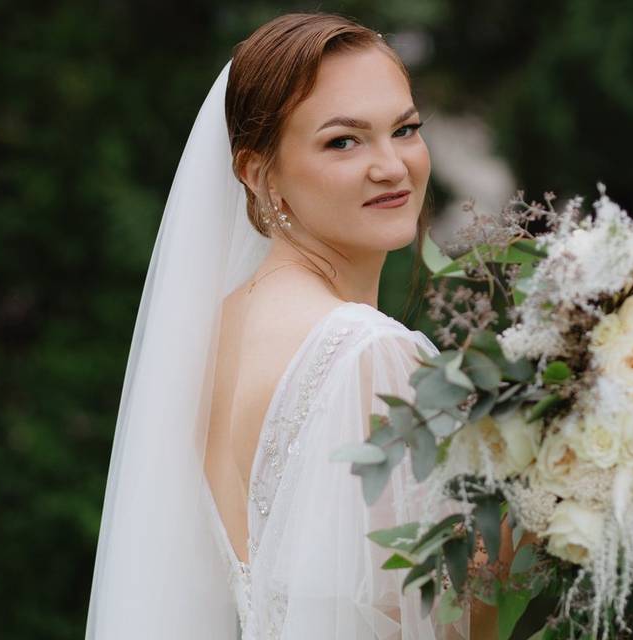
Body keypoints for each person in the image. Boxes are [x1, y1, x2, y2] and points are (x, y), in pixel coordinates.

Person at [85, 12, 476, 639]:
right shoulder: (366, 352)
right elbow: (453, 623)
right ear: (258, 173)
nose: (392, 166)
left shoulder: (212, 334)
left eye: (404, 129)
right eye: (342, 141)